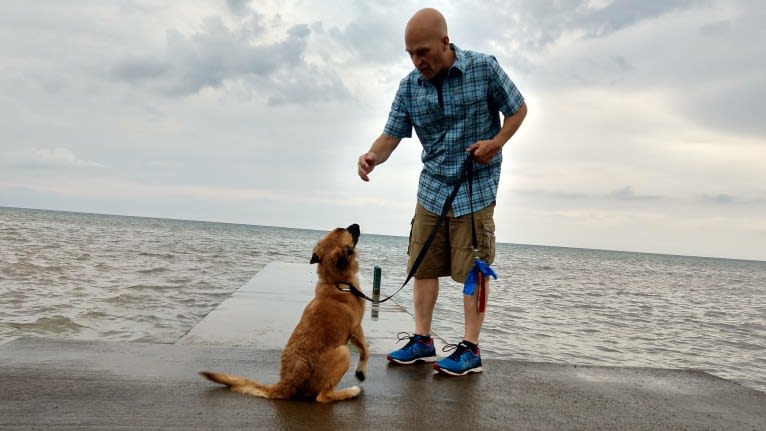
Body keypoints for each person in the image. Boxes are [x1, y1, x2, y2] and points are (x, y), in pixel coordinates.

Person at [357, 8, 527, 376]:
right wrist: (372, 156)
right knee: (423, 264)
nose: (418, 61)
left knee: (474, 270)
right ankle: (422, 340)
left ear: (444, 43)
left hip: (475, 187)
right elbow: (390, 135)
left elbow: (518, 109)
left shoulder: (484, 68)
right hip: (432, 188)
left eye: (423, 52)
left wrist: (496, 143)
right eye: (411, 55)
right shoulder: (409, 87)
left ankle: (470, 350)